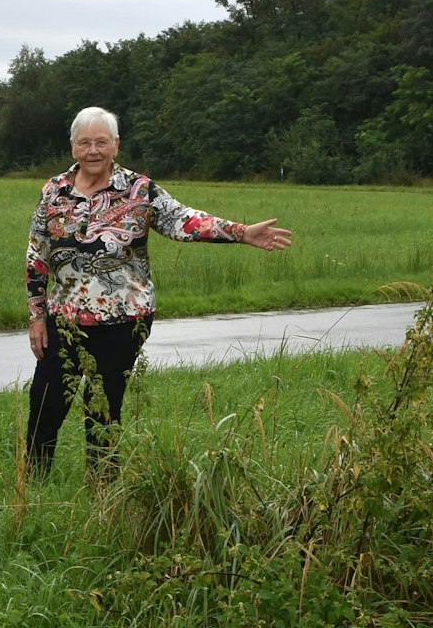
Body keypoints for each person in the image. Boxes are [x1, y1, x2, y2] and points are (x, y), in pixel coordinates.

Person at [23, 106, 292, 477]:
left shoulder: (139, 190)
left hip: (123, 319)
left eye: (102, 142)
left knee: (102, 408)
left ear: (115, 146)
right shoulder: (54, 191)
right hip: (63, 319)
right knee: (45, 401)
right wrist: (37, 316)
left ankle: (103, 491)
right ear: (73, 148)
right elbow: (37, 253)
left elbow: (184, 219)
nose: (93, 150)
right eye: (85, 143)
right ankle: (33, 486)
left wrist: (241, 232)